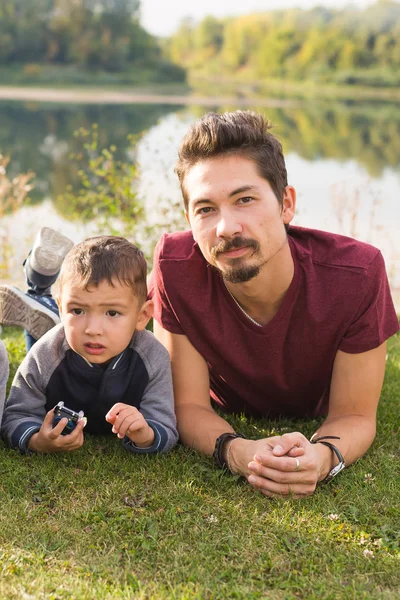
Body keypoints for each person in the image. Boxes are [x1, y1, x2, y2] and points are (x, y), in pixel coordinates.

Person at [148, 110, 399, 498]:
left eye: (244, 199)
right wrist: (238, 450)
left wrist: (323, 456)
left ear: (286, 204)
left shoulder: (357, 275)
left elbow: (354, 416)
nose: (226, 227)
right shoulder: (175, 265)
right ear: (188, 218)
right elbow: (188, 405)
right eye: (205, 209)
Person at [1, 235, 178, 455]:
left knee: (50, 336)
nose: (93, 329)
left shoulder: (152, 356)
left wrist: (145, 433)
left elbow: (165, 423)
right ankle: (40, 290)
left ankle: (39, 289)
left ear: (142, 316)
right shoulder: (46, 354)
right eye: (77, 310)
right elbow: (16, 414)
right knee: (44, 342)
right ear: (62, 309)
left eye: (112, 313)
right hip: (56, 344)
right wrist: (37, 440)